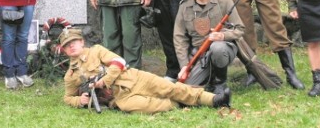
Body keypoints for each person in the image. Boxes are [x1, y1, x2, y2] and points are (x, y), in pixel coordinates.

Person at [60, 27, 230, 113]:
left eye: (74, 42)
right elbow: (67, 97)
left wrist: (104, 81)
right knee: (152, 105)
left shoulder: (96, 50)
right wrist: (79, 101)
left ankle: (214, 100)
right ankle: (180, 102)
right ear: (64, 51)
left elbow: (118, 61)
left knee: (169, 88)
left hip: (133, 78)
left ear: (82, 42)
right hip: (120, 99)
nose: (72, 46)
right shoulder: (71, 75)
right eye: (67, 45)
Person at [173, 0, 244, 94]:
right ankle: (208, 79)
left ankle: (219, 83)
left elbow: (240, 29)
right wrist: (184, 65)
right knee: (187, 89)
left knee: (217, 48)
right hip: (199, 54)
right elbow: (179, 38)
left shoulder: (224, 1)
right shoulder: (185, 6)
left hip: (223, 49)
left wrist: (222, 37)